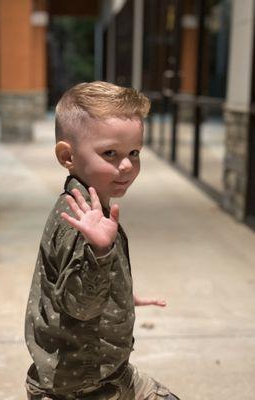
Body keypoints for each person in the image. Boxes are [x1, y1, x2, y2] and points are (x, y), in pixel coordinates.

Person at [25, 81, 180, 400]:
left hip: (103, 370)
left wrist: (118, 292)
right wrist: (99, 251)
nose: (126, 165)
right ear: (67, 155)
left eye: (134, 153)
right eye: (110, 153)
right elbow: (79, 305)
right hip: (83, 385)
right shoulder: (82, 225)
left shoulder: (86, 204)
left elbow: (71, 283)